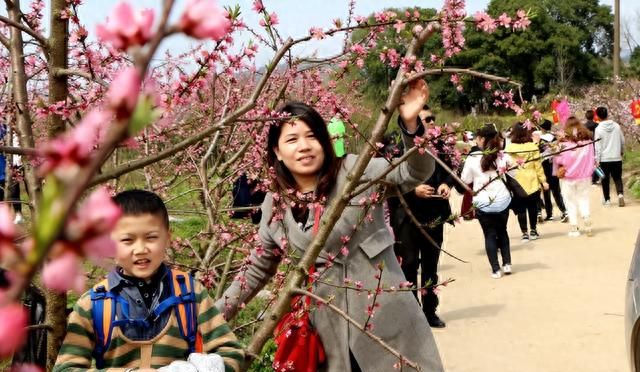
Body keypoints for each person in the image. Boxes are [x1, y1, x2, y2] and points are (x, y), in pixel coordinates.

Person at [216, 80, 444, 372]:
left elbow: (414, 171)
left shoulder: (354, 173)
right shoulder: (275, 204)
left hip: (386, 321)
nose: (304, 146)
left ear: (324, 141)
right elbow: (257, 268)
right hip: (327, 333)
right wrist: (214, 317)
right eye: (292, 139)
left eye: (312, 136)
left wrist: (411, 126)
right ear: (277, 150)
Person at [54, 190, 244, 372]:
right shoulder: (93, 304)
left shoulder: (190, 293)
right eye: (127, 240)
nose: (141, 249)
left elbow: (231, 352)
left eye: (151, 237)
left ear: (167, 239)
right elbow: (66, 368)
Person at [389, 105, 454, 329]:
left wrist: (446, 183)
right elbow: (389, 182)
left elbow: (451, 170)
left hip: (434, 216)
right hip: (406, 218)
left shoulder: (440, 146)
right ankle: (412, 312)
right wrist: (412, 190)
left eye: (432, 119)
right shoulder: (397, 148)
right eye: (426, 119)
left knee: (430, 267)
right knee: (407, 265)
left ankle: (429, 311)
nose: (431, 123)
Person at [461, 124, 513, 278]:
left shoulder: (472, 159)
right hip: (502, 199)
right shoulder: (502, 155)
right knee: (502, 231)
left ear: (482, 139)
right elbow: (513, 171)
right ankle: (507, 264)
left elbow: (465, 179)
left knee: (489, 234)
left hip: (483, 202)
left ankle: (496, 269)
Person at [505, 122, 549, 242]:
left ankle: (524, 233)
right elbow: (538, 166)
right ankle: (533, 230)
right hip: (532, 180)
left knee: (521, 209)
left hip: (517, 182)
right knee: (532, 207)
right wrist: (543, 181)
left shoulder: (509, 149)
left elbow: (506, 167)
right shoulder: (533, 147)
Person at [553, 117, 596, 237]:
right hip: (584, 175)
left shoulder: (563, 143)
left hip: (568, 176)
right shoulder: (588, 142)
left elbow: (558, 158)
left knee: (570, 201)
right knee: (584, 198)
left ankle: (574, 226)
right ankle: (586, 217)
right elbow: (592, 157)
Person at [594, 106, 625, 207]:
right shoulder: (616, 126)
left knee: (605, 179)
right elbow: (622, 140)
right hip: (616, 157)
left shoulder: (598, 129)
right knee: (617, 178)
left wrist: (597, 160)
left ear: (598, 116)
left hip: (604, 159)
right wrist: (621, 151)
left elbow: (598, 146)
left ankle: (607, 200)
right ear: (607, 114)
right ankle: (620, 194)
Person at [538, 119, 568, 222]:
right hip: (554, 164)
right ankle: (564, 211)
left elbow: (539, 153)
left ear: (541, 128)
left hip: (544, 165)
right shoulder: (555, 138)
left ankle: (549, 214)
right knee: (556, 191)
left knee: (546, 191)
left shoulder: (540, 140)